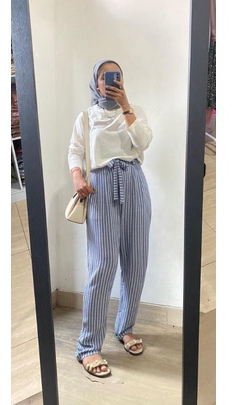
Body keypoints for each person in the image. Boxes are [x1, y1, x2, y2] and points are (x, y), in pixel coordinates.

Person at [68, 59, 153, 378]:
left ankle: (125, 327)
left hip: (134, 183)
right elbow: (75, 150)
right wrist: (77, 177)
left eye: (116, 76)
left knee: (136, 261)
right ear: (96, 82)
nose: (110, 81)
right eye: (104, 77)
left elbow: (143, 142)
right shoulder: (86, 117)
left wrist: (126, 105)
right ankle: (88, 345)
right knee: (102, 264)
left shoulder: (135, 111)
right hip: (100, 187)